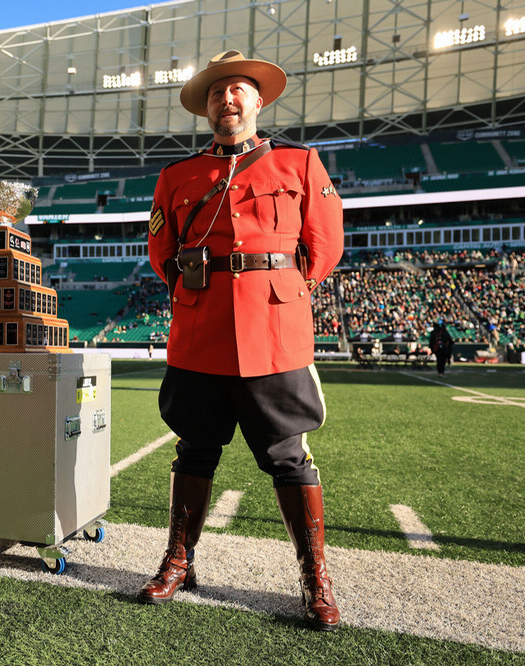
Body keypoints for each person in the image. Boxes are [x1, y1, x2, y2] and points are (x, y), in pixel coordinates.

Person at [141, 51, 344, 631]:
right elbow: (163, 255)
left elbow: (323, 248)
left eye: (236, 90)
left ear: (258, 100)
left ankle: (314, 577)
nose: (225, 100)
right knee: (195, 448)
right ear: (206, 109)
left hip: (274, 332)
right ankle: (180, 559)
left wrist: (276, 290)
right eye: (215, 94)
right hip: (200, 330)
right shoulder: (176, 177)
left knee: (287, 455)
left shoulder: (300, 163)